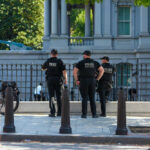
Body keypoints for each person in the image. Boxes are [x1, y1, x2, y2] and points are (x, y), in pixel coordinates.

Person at [73, 50, 104, 118]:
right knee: (92, 98)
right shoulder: (95, 62)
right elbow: (102, 70)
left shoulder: (81, 62)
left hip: (83, 80)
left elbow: (75, 72)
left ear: (84, 55)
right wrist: (97, 79)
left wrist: (77, 80)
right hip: (92, 80)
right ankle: (94, 114)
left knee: (84, 98)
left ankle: (84, 114)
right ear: (90, 55)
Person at [42, 49, 67, 117]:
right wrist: (65, 79)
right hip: (58, 80)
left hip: (50, 79)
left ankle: (52, 112)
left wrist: (49, 68)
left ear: (51, 54)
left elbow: (43, 68)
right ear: (57, 54)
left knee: (51, 96)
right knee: (59, 96)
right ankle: (59, 112)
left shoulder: (48, 61)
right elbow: (64, 71)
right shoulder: (59, 61)